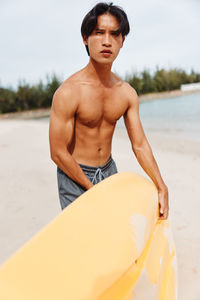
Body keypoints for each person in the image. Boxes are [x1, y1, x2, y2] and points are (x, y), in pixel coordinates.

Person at [49, 2, 169, 220]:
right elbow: (58, 153)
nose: (107, 41)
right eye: (99, 33)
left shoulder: (126, 93)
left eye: (115, 34)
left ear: (122, 41)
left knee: (116, 241)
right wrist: (92, 189)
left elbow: (140, 145)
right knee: (85, 243)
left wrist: (161, 185)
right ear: (85, 38)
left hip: (109, 171)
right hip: (74, 175)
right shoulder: (69, 92)